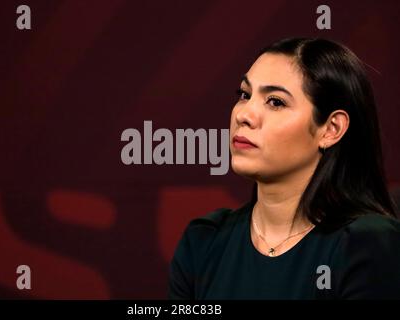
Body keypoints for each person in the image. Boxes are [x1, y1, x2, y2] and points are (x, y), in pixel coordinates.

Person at [168, 37, 400, 299]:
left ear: (331, 129)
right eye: (245, 95)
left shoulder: (364, 244)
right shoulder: (203, 241)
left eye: (276, 102)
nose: (244, 114)